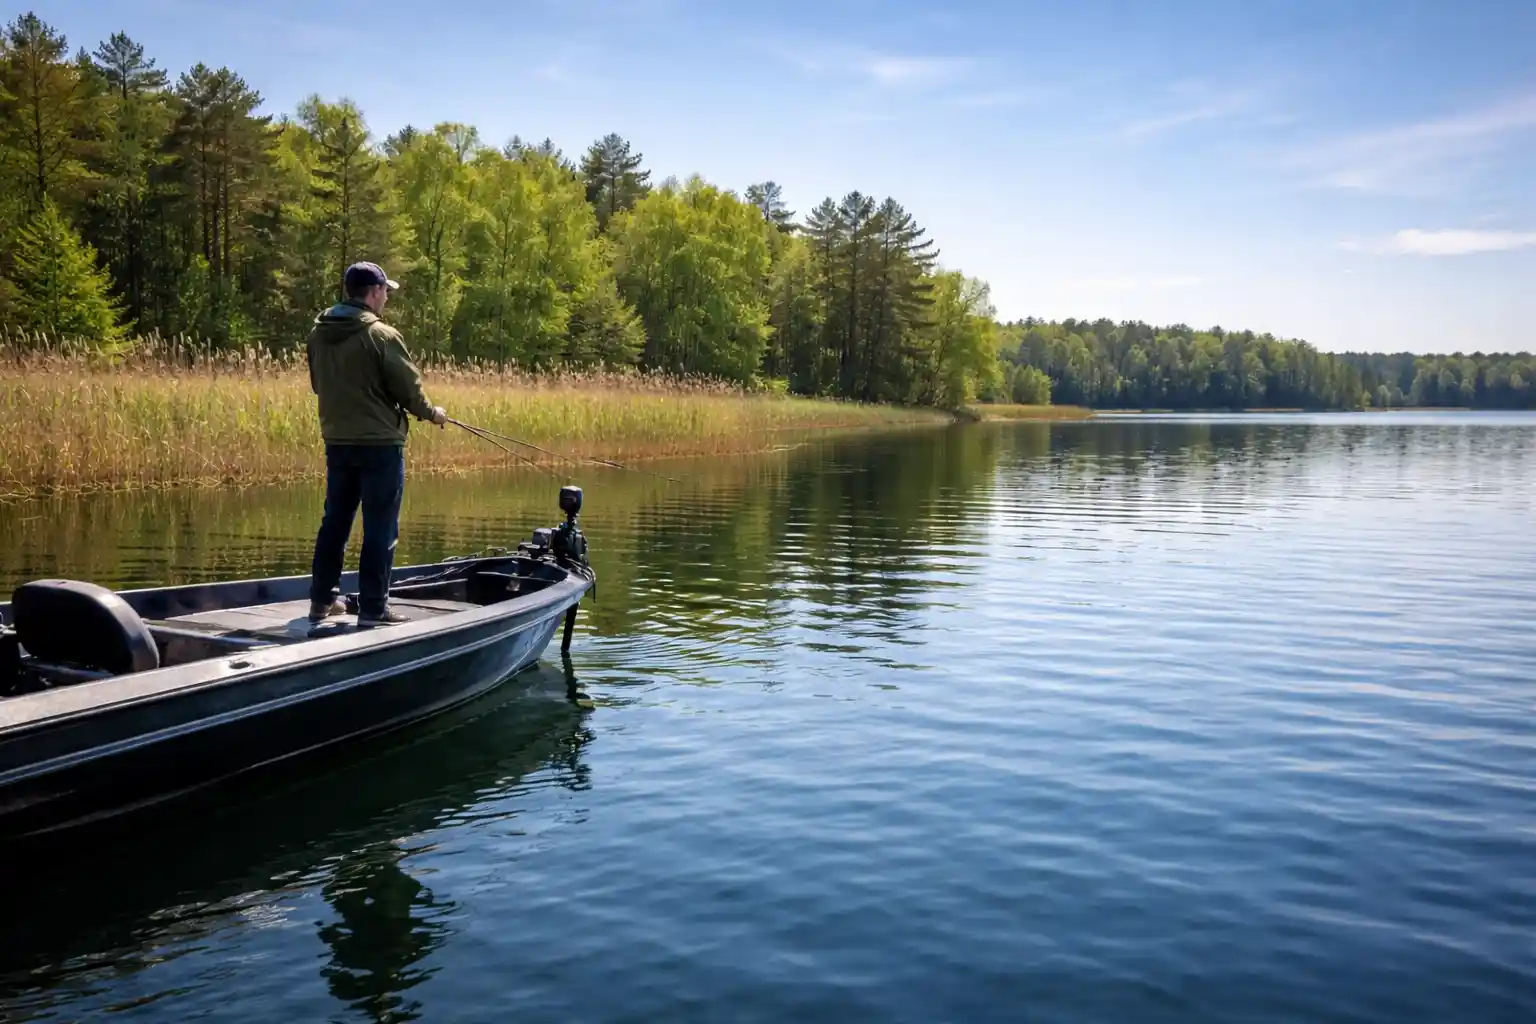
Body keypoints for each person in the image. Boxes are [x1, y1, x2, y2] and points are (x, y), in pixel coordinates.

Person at [305, 261, 447, 628]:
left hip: (337, 440)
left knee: (334, 522)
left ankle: (321, 602)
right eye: (385, 291)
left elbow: (319, 384)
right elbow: (410, 391)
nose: (386, 297)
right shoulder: (382, 335)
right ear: (373, 292)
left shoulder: (318, 333)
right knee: (380, 527)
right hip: (380, 445)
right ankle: (373, 608)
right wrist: (433, 414)